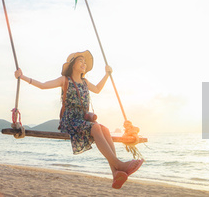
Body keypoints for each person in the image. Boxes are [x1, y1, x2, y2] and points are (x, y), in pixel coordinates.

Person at [15, 50, 143, 189]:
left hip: (83, 120)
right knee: (95, 127)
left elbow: (98, 89)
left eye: (85, 62)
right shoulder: (65, 80)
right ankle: (119, 164)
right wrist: (22, 77)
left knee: (104, 129)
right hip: (69, 120)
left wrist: (107, 74)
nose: (84, 63)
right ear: (72, 64)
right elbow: (43, 85)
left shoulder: (85, 82)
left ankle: (115, 173)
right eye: (80, 60)